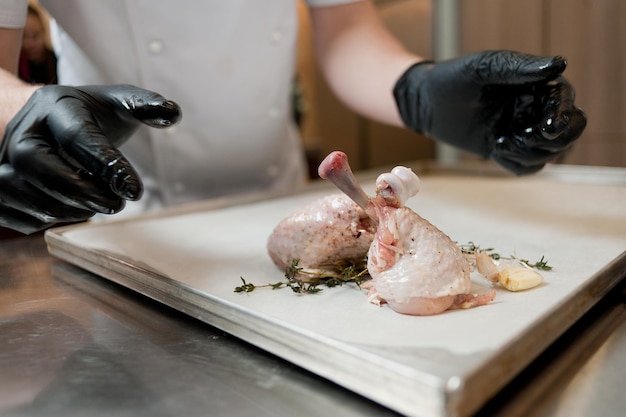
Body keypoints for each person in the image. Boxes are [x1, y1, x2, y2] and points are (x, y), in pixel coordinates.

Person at [0, 0, 586, 235]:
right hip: (127, 212)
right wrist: (22, 113)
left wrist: (419, 89)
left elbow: (347, 31)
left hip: (279, 201)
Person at [18, 4, 57, 85]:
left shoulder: (56, 61)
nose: (29, 43)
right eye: (23, 37)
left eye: (35, 36)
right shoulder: (16, 66)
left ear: (44, 32)